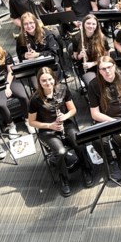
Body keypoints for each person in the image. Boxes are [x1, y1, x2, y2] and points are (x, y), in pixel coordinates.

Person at [28, 67, 81, 196]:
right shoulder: (35, 99)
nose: (48, 83)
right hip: (47, 129)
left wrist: (65, 116)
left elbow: (73, 110)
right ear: (39, 82)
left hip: (65, 124)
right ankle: (63, 179)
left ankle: (86, 168)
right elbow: (31, 122)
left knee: (80, 141)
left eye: (50, 79)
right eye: (44, 81)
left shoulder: (62, 89)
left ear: (54, 78)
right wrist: (50, 125)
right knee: (61, 152)